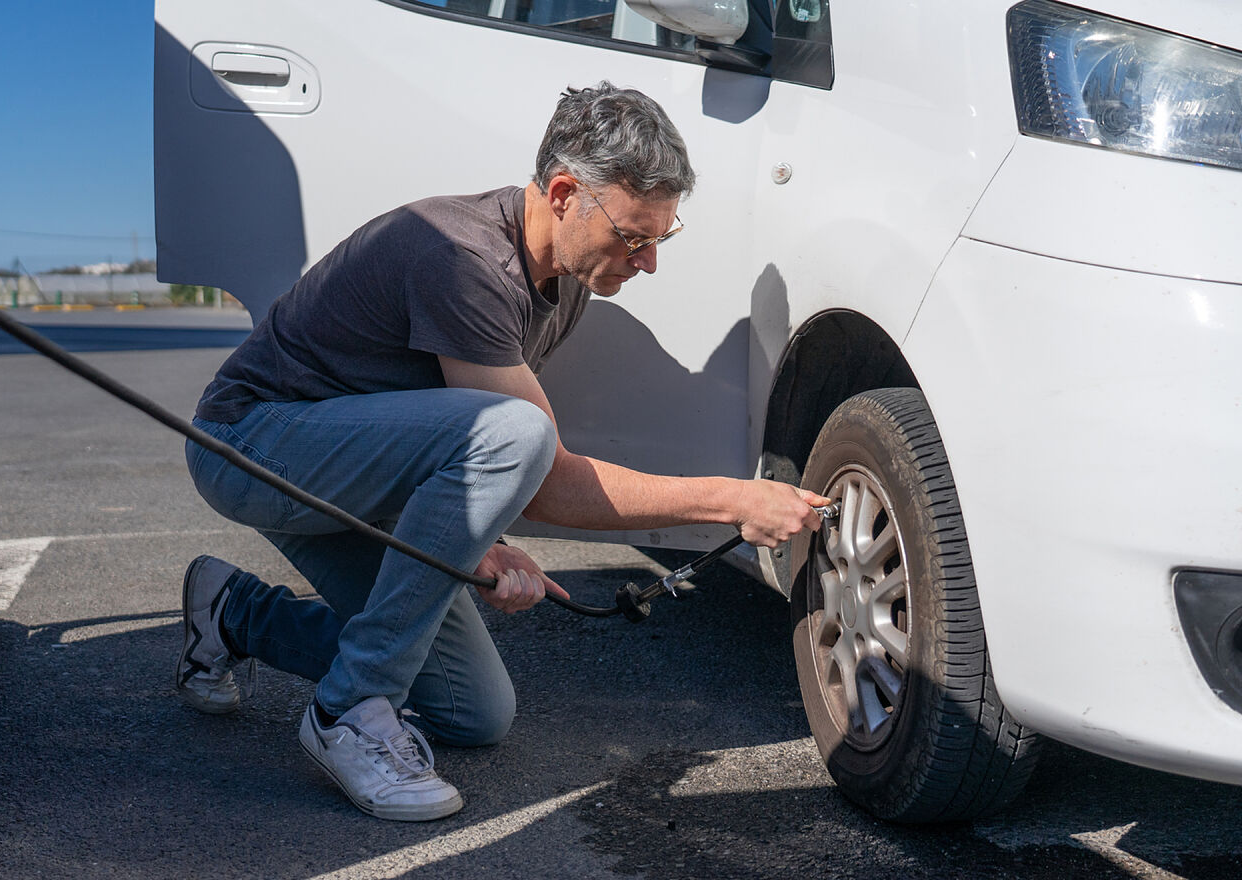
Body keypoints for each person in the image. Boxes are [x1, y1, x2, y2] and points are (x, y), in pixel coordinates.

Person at [177, 82, 828, 822]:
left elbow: (454, 433)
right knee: (525, 437)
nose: (647, 263)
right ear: (562, 193)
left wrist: (489, 538)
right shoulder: (461, 259)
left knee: (473, 711)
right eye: (636, 236)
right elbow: (537, 468)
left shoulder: (566, 279)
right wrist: (735, 501)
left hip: (344, 471)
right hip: (253, 447)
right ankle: (350, 711)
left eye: (661, 239)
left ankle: (233, 613)